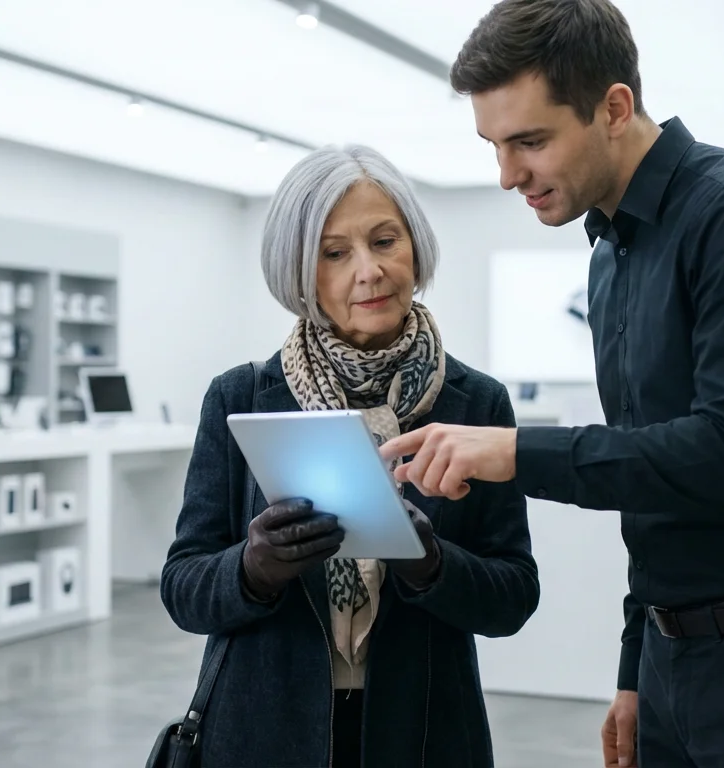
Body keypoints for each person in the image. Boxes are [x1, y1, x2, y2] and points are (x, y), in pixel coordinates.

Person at [378, 1, 724, 766]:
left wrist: (518, 453)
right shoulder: (611, 252)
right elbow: (653, 477)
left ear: (614, 107)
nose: (507, 175)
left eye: (530, 141)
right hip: (675, 657)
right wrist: (637, 662)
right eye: (494, 145)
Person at [159, 143, 540, 768]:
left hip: (423, 731)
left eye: (385, 241)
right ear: (301, 274)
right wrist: (252, 567)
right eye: (335, 253)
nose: (369, 270)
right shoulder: (243, 397)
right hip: (263, 729)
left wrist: (431, 564)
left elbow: (513, 597)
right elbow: (182, 587)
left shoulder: (475, 402)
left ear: (414, 248)